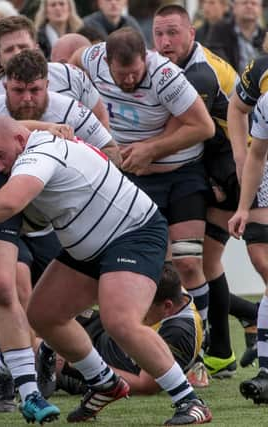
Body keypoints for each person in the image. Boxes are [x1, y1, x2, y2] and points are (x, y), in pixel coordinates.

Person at [0, 115, 213, 425]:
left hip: (133, 233)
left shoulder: (39, 152)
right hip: (91, 243)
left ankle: (191, 401)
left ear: (20, 141)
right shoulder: (35, 142)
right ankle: (103, 382)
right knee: (43, 315)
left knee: (120, 321)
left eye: (0, 156)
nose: (0, 166)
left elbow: (10, 203)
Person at [72, 28, 216, 357]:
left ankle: (198, 353)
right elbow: (72, 61)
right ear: (106, 62)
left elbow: (203, 127)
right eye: (121, 75)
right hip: (133, 176)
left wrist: (151, 149)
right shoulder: (93, 59)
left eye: (135, 72)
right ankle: (153, 346)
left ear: (146, 58)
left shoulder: (165, 75)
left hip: (181, 174)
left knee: (189, 262)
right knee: (153, 267)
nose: (128, 80)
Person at [153, 3, 241, 378]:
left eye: (173, 33)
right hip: (220, 163)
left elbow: (194, 133)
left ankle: (213, 351)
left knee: (202, 262)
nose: (165, 42)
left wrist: (221, 183)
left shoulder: (200, 74)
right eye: (158, 34)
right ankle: (221, 351)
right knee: (203, 263)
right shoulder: (172, 65)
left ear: (192, 34)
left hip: (233, 168)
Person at [60, 263, 203, 396]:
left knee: (44, 347)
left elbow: (145, 385)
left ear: (167, 306)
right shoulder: (168, 286)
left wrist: (82, 366)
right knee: (50, 316)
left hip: (99, 368)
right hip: (103, 331)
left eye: (144, 306)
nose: (136, 308)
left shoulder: (179, 332)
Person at [0, 49, 120, 165]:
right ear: (5, 87)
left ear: (47, 86)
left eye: (34, 90)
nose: (27, 98)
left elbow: (112, 151)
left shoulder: (71, 111)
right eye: (18, 90)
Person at [0, 16, 109, 129]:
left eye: (23, 47)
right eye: (9, 50)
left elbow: (101, 118)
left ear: (36, 48)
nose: (17, 53)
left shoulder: (70, 75)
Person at [228, 66, 268, 407]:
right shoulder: (266, 100)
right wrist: (242, 206)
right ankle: (267, 372)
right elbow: (257, 155)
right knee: (264, 263)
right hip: (266, 176)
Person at [205, 0, 266, 73]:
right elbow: (217, 61)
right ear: (234, 8)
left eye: (254, 3)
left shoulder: (265, 35)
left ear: (261, 9)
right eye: (244, 3)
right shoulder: (219, 31)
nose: (249, 6)